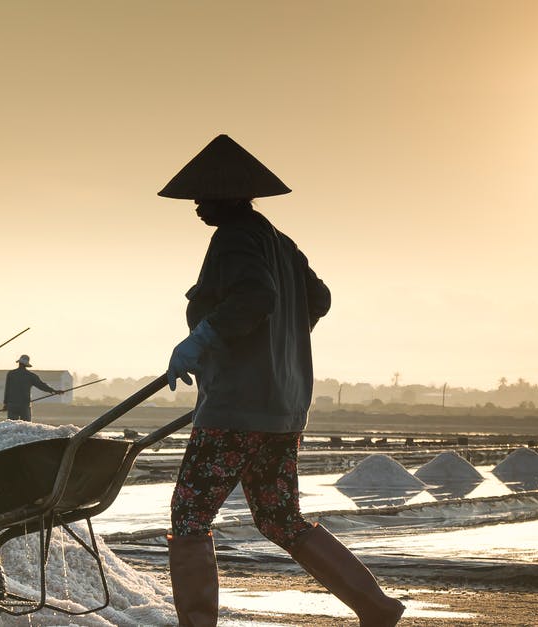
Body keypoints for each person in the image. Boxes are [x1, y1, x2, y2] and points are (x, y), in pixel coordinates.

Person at [159, 135, 404, 627]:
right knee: (279, 518)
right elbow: (319, 298)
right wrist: (278, 345)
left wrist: (202, 338)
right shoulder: (281, 242)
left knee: (189, 516)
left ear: (228, 197)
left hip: (234, 408)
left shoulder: (233, 237)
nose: (197, 208)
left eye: (203, 199)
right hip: (282, 408)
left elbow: (253, 297)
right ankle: (376, 608)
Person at [3, 354, 63, 421]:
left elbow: (7, 390)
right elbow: (41, 386)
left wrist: (6, 404)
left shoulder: (11, 374)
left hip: (12, 404)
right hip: (24, 404)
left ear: (19, 363)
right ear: (26, 365)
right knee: (26, 425)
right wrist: (54, 391)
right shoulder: (30, 376)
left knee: (12, 425)